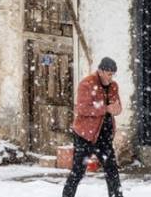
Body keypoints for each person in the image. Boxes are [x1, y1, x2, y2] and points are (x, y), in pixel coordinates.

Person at [62, 57, 122, 197]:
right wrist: (106, 108)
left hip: (104, 135)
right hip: (85, 135)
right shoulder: (87, 84)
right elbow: (82, 109)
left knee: (112, 171)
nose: (110, 77)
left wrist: (116, 109)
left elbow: (117, 108)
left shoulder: (113, 86)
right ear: (100, 71)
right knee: (78, 171)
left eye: (113, 74)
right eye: (108, 73)